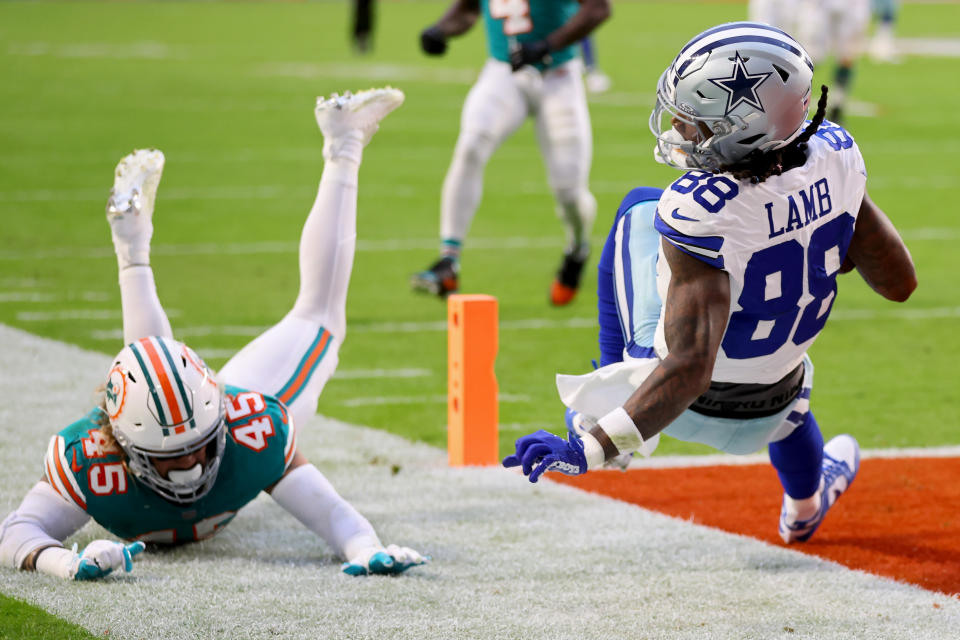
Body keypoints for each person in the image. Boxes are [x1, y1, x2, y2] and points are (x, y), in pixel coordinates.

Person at [503, 22, 916, 544]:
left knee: (639, 206)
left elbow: (690, 367)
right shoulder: (836, 155)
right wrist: (826, 226)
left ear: (747, 127)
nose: (679, 129)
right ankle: (807, 504)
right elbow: (898, 282)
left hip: (670, 405)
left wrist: (593, 445)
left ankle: (613, 383)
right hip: (775, 407)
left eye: (697, 121)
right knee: (790, 385)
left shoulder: (701, 211)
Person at [0, 88, 430, 579]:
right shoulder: (92, 460)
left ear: (221, 408)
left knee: (316, 319)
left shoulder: (249, 428)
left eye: (201, 445)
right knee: (318, 318)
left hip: (213, 409)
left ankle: (134, 245)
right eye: (171, 458)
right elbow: (18, 532)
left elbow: (337, 518)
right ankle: (343, 142)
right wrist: (66, 561)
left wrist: (365, 547)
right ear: (121, 444)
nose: (192, 467)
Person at [412, 0, 611, 306]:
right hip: (504, 72)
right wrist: (440, 30)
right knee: (471, 145)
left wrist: (547, 45)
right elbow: (467, 9)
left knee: (569, 190)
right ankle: (448, 261)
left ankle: (577, 249)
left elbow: (598, 8)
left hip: (557, 74)